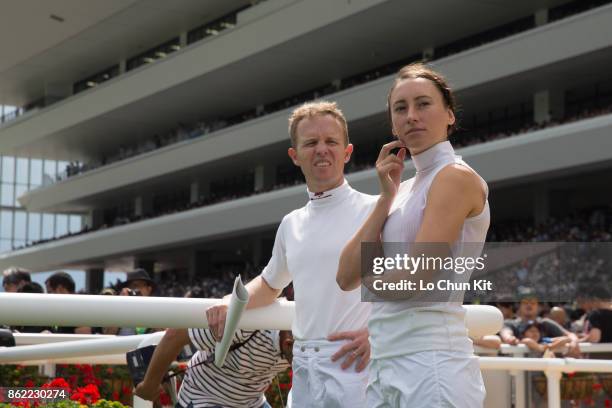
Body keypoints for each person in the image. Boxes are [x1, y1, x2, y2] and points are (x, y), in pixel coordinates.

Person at [337, 62, 489, 407]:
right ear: (392, 123)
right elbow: (344, 275)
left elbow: (414, 279)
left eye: (423, 104)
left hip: (432, 362)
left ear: (449, 115)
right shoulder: (400, 189)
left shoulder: (454, 177)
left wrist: (368, 273)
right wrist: (384, 200)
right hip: (385, 362)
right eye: (400, 108)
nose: (411, 116)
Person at [206, 101, 377, 407]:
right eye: (311, 143)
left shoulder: (376, 209)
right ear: (295, 156)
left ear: (347, 151)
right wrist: (228, 303)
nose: (321, 149)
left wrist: (378, 333)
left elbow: (422, 275)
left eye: (331, 142)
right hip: (303, 367)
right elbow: (271, 285)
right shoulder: (291, 223)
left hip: (357, 368)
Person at [135, 327, 293, 408]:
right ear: (288, 344)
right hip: (205, 396)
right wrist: (149, 385)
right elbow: (174, 335)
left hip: (251, 402)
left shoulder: (306, 340)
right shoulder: (248, 324)